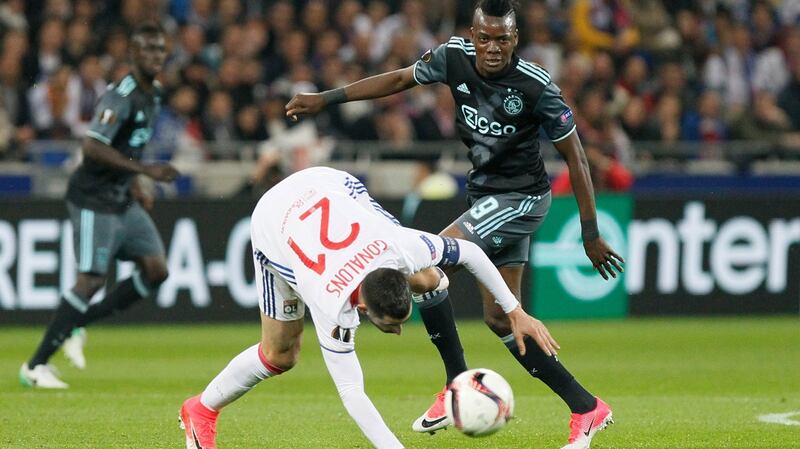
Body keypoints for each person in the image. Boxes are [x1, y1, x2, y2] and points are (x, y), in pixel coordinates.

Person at [285, 1, 623, 448]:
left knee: (429, 266)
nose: (493, 48)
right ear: (473, 33)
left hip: (520, 199)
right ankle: (587, 407)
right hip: (485, 195)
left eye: (502, 39)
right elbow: (401, 78)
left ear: (515, 39)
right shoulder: (453, 55)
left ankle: (454, 382)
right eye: (485, 38)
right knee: (502, 320)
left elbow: (576, 156)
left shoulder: (537, 87)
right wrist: (325, 99)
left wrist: (590, 232)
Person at [179, 166, 559, 449]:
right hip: (274, 222)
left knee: (429, 277)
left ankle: (451, 380)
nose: (398, 332)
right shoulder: (332, 307)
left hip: (326, 183)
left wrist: (515, 310)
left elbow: (472, 253)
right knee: (281, 354)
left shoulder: (402, 246)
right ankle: (202, 409)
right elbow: (352, 393)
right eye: (390, 326)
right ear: (360, 309)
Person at [19, 23, 179, 389]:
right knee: (91, 280)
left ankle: (78, 323)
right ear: (133, 54)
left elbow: (129, 145)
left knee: (156, 271)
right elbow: (92, 146)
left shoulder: (153, 93)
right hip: (94, 198)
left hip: (123, 196)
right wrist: (144, 170)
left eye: (160, 50)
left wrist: (136, 181)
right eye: (148, 49)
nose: (156, 56)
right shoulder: (120, 96)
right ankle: (35, 366)